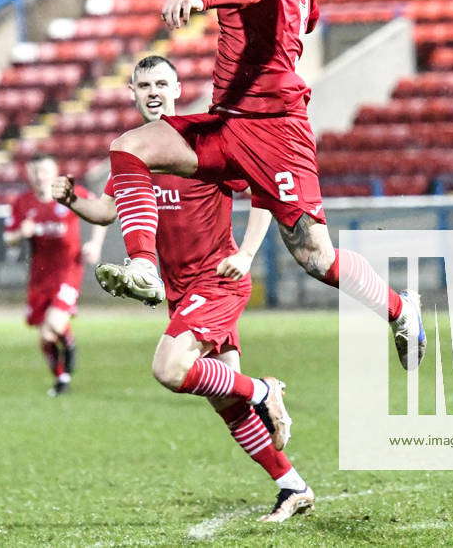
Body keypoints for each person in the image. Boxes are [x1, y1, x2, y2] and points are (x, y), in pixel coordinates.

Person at [94, 0, 426, 371]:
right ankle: (143, 265)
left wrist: (206, 1)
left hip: (274, 133)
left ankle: (401, 310)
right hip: (228, 125)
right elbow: (306, 16)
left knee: (316, 258)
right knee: (131, 148)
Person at [53, 55, 314, 523]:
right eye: (143, 84)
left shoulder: (200, 140)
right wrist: (73, 199)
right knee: (225, 402)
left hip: (217, 279)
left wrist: (247, 254)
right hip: (180, 291)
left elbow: (265, 192)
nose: (152, 90)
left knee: (170, 369)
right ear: (132, 93)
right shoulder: (136, 158)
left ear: (176, 90)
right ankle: (291, 485)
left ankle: (264, 389)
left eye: (161, 83)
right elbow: (109, 212)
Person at [4, 154, 106, 396]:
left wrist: (95, 244)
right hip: (40, 276)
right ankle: (61, 378)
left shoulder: (69, 193)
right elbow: (8, 238)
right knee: (46, 337)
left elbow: (101, 213)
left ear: (54, 173)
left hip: (68, 270)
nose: (42, 177)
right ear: (31, 174)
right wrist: (21, 233)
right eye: (37, 172)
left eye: (46, 172)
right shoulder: (22, 202)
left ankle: (67, 361)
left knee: (54, 323)